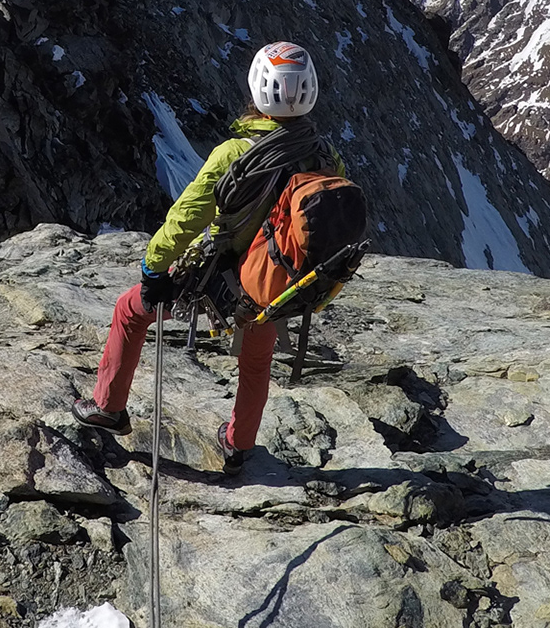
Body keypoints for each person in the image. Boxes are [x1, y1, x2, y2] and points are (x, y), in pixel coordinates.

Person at [71, 40, 345, 475]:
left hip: (221, 276)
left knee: (129, 310)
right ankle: (238, 444)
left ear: (257, 90)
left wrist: (154, 267)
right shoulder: (324, 154)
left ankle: (108, 407)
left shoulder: (235, 155)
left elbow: (186, 218)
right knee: (256, 357)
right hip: (277, 280)